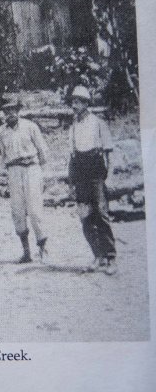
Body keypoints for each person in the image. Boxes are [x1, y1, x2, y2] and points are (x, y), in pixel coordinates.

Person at [67, 85, 117, 275]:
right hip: (80, 176)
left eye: (78, 101)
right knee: (85, 218)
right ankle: (97, 255)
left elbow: (109, 153)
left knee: (102, 215)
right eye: (73, 101)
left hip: (96, 174)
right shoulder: (72, 128)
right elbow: (71, 158)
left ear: (86, 103)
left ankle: (110, 257)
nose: (74, 105)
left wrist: (110, 177)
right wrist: (71, 184)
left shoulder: (98, 123)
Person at [0, 100, 49, 263]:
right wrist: (1, 177)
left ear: (18, 111)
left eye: (12, 110)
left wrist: (43, 174)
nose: (10, 114)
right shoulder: (2, 131)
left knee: (34, 211)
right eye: (6, 111)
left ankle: (42, 248)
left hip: (31, 168)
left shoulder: (30, 126)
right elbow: (3, 156)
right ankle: (26, 252)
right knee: (17, 211)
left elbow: (42, 151)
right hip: (14, 170)